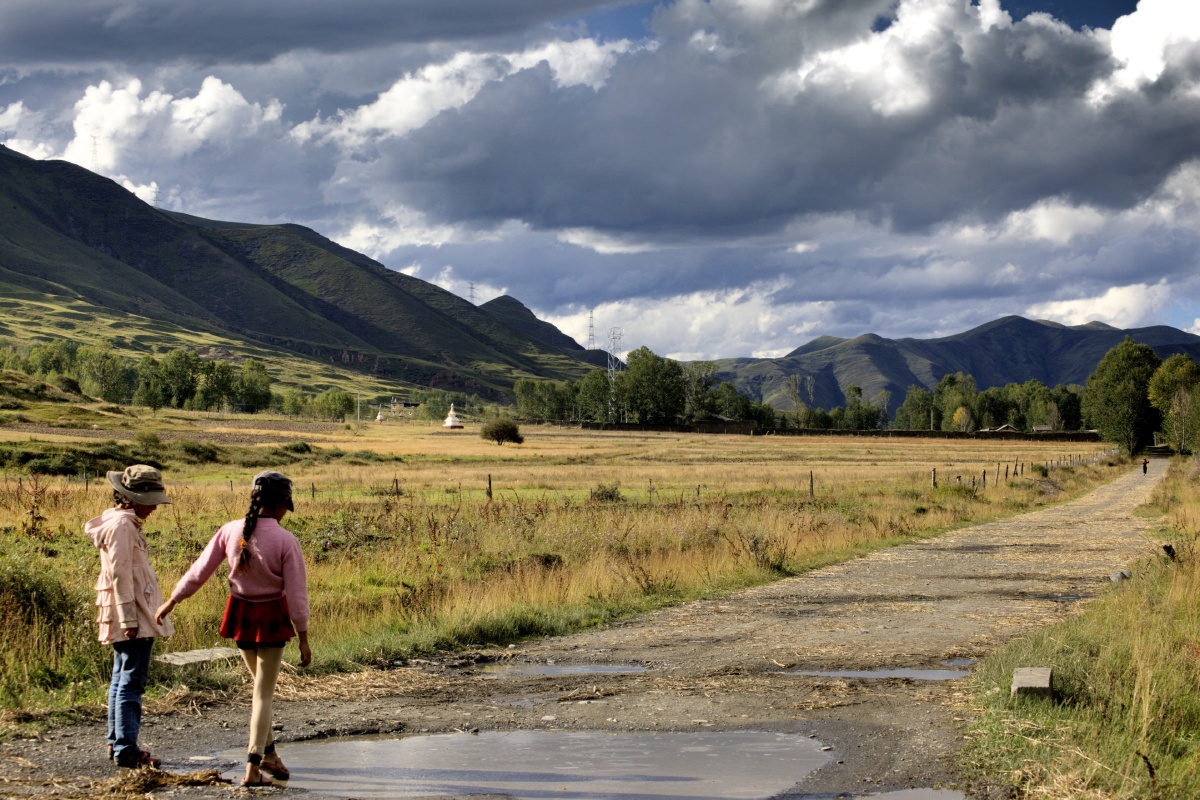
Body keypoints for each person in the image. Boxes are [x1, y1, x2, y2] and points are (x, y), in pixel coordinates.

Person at [156, 471, 311, 788]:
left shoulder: (229, 531)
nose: (285, 512)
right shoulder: (286, 540)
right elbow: (296, 595)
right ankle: (253, 768)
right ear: (281, 503)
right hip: (271, 616)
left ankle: (270, 755)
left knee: (259, 690)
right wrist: (304, 635)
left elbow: (199, 570)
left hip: (240, 613)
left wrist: (174, 599)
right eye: (286, 505)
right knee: (263, 693)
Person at [86, 464, 175, 769]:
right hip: (132, 612)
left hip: (126, 610)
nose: (153, 507)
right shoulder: (123, 527)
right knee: (131, 682)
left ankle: (118, 742)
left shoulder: (120, 523)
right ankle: (126, 747)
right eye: (150, 500)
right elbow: (120, 575)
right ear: (132, 498)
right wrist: (129, 621)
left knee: (120, 677)